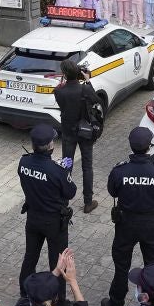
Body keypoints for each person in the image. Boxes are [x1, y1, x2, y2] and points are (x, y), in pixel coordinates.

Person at [101, 128, 154, 306]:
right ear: (149, 146)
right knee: (153, 265)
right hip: (151, 225)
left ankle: (115, 305)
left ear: (130, 145)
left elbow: (113, 192)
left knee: (121, 266)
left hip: (126, 224)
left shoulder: (120, 169)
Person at [17, 124, 77, 295]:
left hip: (33, 217)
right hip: (54, 222)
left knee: (30, 257)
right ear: (50, 146)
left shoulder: (24, 162)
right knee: (58, 262)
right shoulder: (57, 171)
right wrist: (66, 172)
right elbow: (70, 192)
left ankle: (24, 293)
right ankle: (59, 302)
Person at [53, 58, 99, 214]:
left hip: (68, 133)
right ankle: (88, 202)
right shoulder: (85, 89)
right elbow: (95, 100)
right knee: (87, 166)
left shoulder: (59, 91)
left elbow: (60, 98)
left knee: (67, 166)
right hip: (85, 132)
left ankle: (64, 201)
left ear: (65, 75)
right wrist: (87, 81)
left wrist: (63, 80)